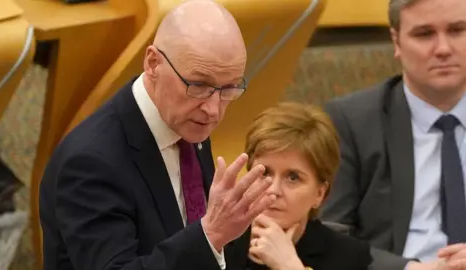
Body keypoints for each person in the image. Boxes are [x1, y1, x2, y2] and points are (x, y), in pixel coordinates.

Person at [39, 1, 277, 269]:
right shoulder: (90, 164)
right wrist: (210, 235)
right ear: (153, 63)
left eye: (229, 89)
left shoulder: (187, 118)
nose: (213, 110)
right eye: (199, 85)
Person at [321, 0, 466, 269]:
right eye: (425, 34)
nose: (444, 49)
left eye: (458, 30)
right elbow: (328, 236)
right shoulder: (351, 121)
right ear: (396, 41)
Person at [226, 102, 372, 270]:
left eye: (293, 177)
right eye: (265, 173)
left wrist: (289, 266)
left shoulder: (348, 258)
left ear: (320, 193)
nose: (273, 190)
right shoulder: (219, 244)